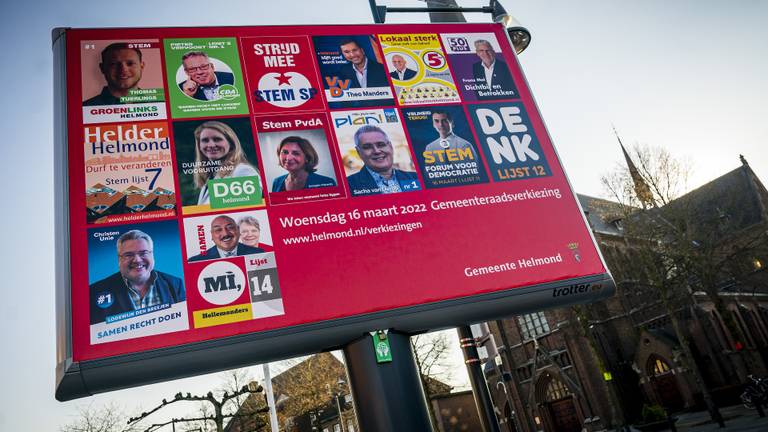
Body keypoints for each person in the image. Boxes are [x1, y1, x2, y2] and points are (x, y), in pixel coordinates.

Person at [89, 230, 185, 324]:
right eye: (128, 255)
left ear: (152, 254)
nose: (137, 260)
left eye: (143, 253)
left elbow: (182, 321)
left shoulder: (175, 284)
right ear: (119, 259)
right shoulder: (95, 291)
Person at [192, 121, 261, 205]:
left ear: (231, 143)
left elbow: (250, 207)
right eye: (205, 140)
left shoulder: (242, 171)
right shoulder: (209, 178)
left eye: (217, 139)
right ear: (199, 145)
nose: (211, 145)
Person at [346, 125, 420, 196]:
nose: (376, 151)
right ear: (359, 152)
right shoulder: (348, 186)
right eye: (367, 147)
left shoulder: (416, 178)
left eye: (381, 144)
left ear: (390, 147)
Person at [271, 136, 336, 192]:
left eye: (296, 153)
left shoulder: (326, 182)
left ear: (307, 158)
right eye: (285, 152)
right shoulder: (277, 182)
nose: (288, 158)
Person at [189, 215, 264, 261]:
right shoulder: (196, 261)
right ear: (212, 236)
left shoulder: (259, 254)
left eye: (230, 227)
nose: (225, 233)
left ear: (238, 230)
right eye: (218, 230)